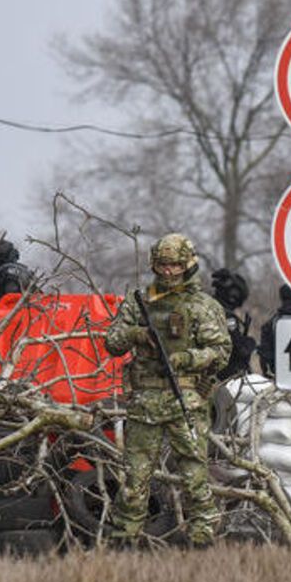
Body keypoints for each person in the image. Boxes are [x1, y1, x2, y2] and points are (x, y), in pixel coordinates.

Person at [104, 233, 230, 546]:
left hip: (184, 400)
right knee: (135, 476)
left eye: (174, 265)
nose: (168, 271)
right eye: (163, 265)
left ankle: (202, 535)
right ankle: (125, 537)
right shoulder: (140, 302)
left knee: (194, 474)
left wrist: (188, 358)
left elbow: (221, 352)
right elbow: (111, 342)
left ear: (187, 265)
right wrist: (136, 334)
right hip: (145, 401)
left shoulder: (202, 306)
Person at [210, 267, 256, 380]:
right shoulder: (224, 315)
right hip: (223, 377)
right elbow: (239, 349)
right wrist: (250, 343)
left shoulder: (210, 307)